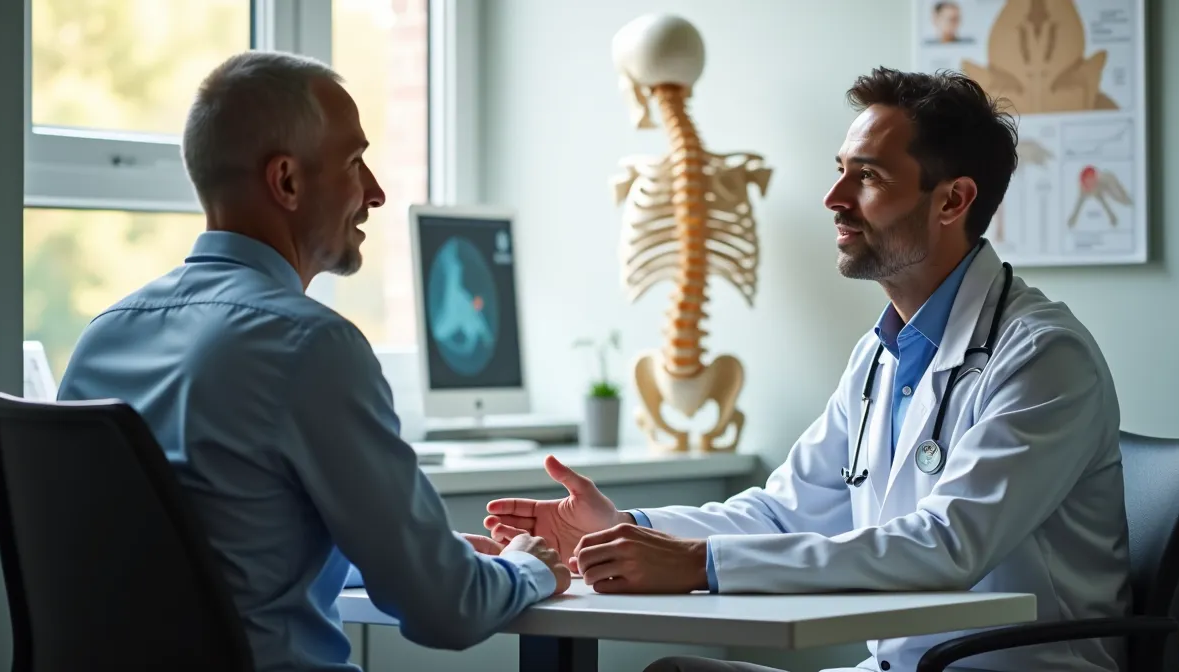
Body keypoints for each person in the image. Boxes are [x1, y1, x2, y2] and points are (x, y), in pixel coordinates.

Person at [483, 67, 1131, 672]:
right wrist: (628, 528)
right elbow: (781, 512)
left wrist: (702, 566)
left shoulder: (1043, 356)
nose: (833, 197)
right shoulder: (880, 354)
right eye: (840, 170)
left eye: (867, 177)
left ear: (952, 200)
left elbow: (947, 543)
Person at [56, 51, 570, 672]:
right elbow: (449, 611)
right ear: (288, 182)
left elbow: (210, 548)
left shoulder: (104, 336)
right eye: (355, 162)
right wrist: (524, 567)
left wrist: (395, 553)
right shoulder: (309, 346)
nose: (376, 192)